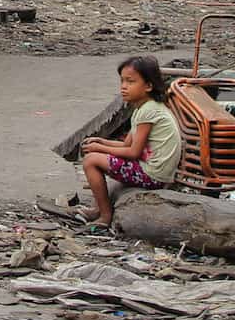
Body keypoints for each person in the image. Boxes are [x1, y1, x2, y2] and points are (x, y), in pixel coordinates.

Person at [78, 56, 181, 229]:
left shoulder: (149, 111)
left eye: (131, 82)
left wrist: (99, 148)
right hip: (152, 169)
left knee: (90, 161)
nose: (124, 87)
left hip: (153, 175)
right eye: (122, 81)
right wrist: (102, 142)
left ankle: (104, 215)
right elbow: (126, 145)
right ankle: (97, 209)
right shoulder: (142, 108)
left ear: (148, 86)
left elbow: (133, 152)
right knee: (95, 155)